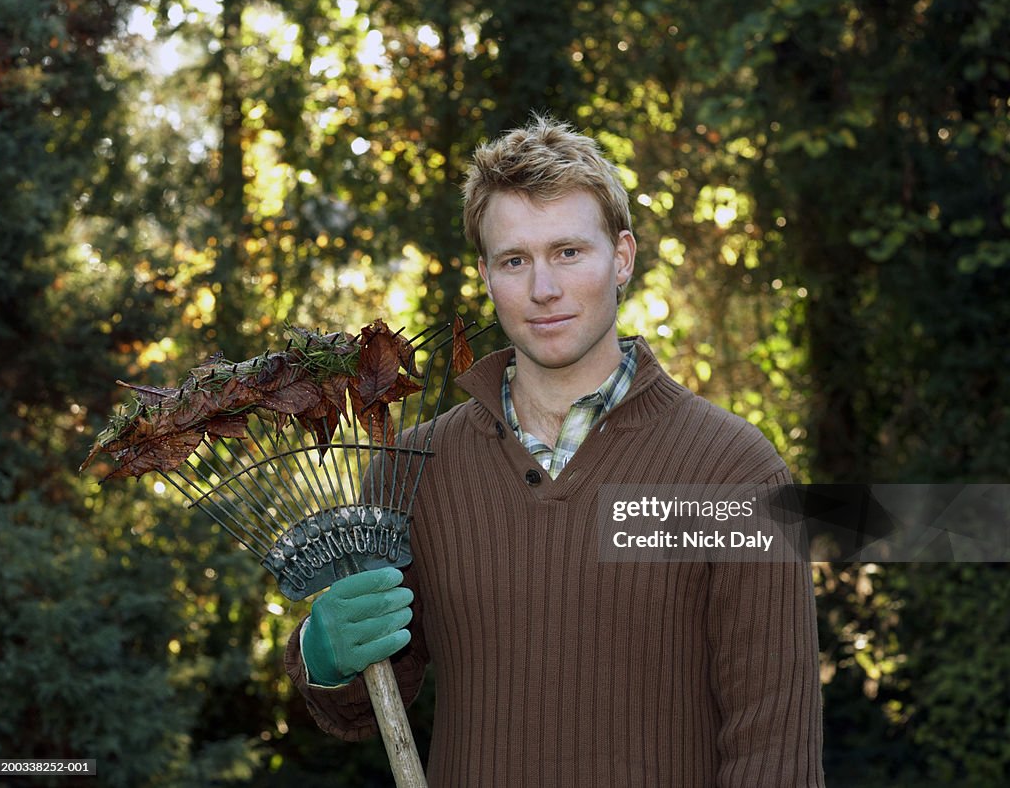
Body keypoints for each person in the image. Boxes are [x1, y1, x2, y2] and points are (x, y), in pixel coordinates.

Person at [285, 115, 825, 786]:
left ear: (621, 257)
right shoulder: (412, 469)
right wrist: (320, 655)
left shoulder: (733, 472)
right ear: (486, 274)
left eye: (569, 252)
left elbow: (774, 749)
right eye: (515, 260)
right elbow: (367, 702)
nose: (543, 289)